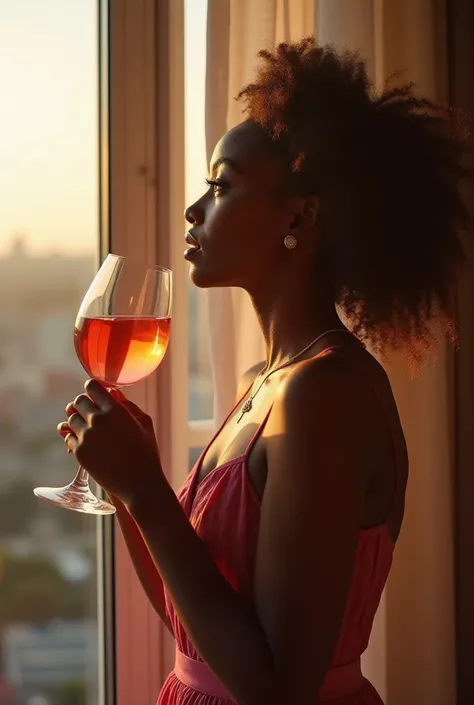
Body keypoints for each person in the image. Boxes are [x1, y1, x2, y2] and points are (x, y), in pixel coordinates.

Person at [58, 38, 469, 705]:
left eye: (221, 186)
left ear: (299, 216)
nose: (194, 209)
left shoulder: (323, 394)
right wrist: (135, 486)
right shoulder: (270, 381)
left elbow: (277, 687)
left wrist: (145, 490)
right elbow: (197, 627)